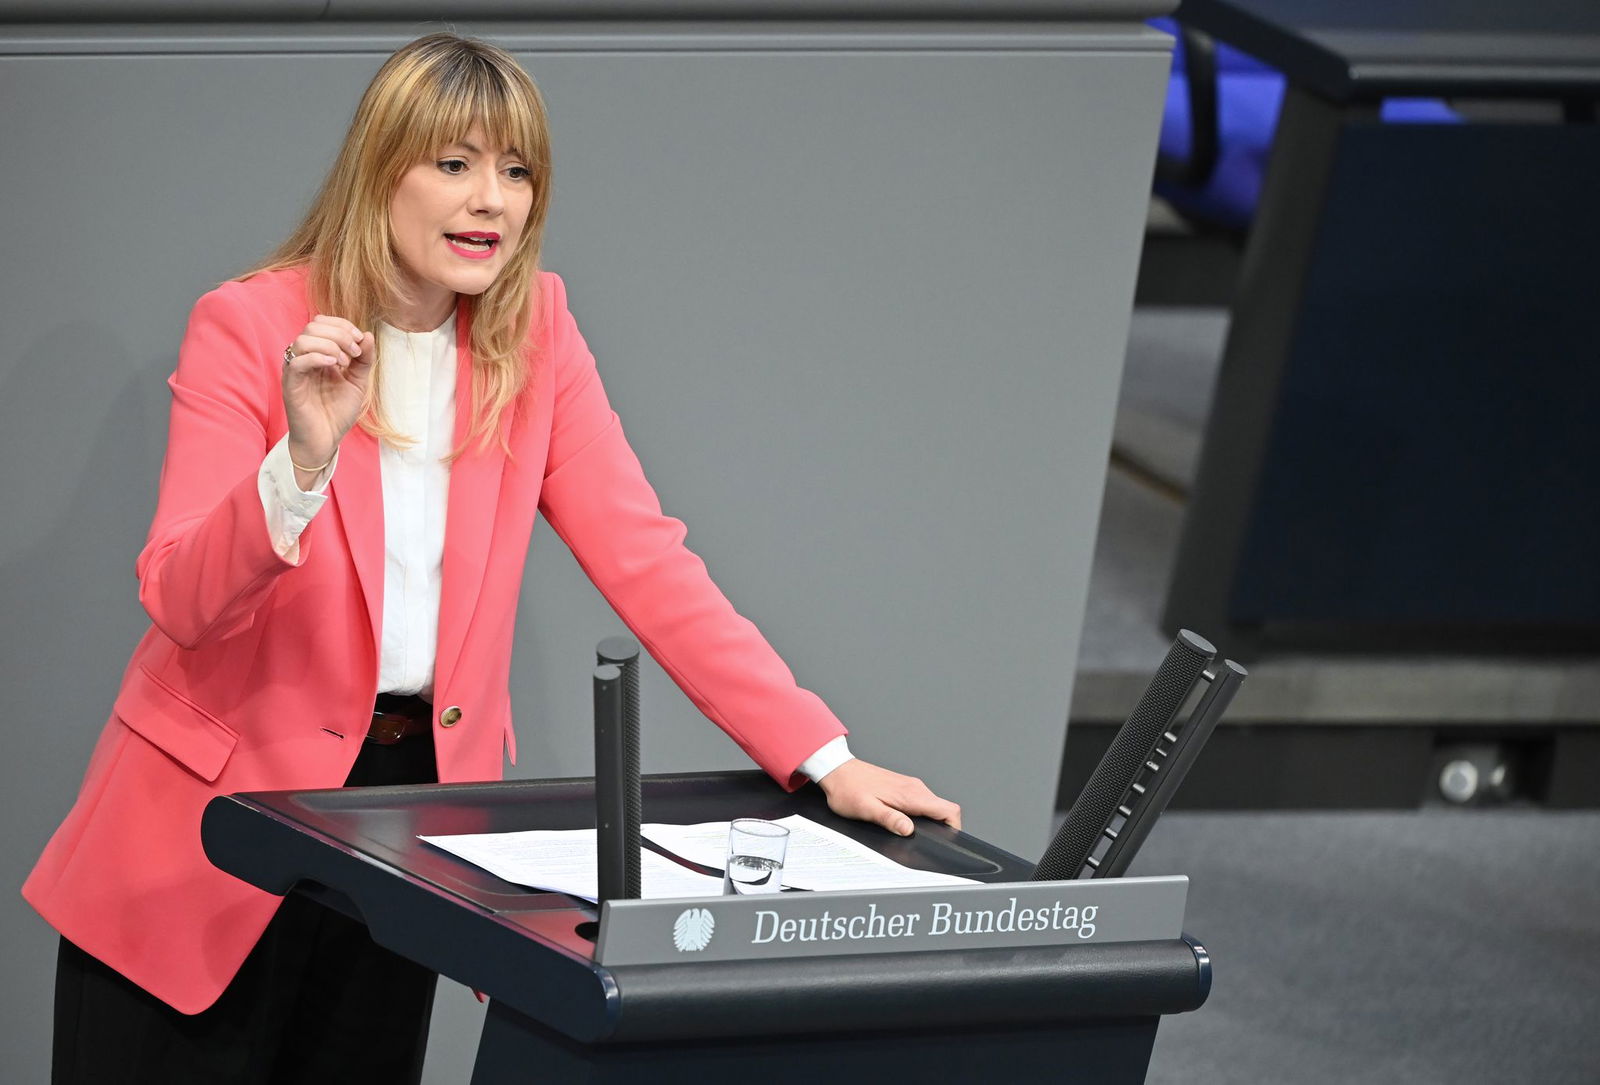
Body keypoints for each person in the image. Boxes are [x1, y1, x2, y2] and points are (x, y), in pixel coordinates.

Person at [24, 31, 960, 1085]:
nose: (494, 201)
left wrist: (820, 755)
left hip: (406, 825)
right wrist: (300, 458)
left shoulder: (538, 336)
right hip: (211, 831)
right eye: (456, 164)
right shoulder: (252, 324)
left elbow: (649, 560)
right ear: (382, 171)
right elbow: (181, 599)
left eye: (517, 172)